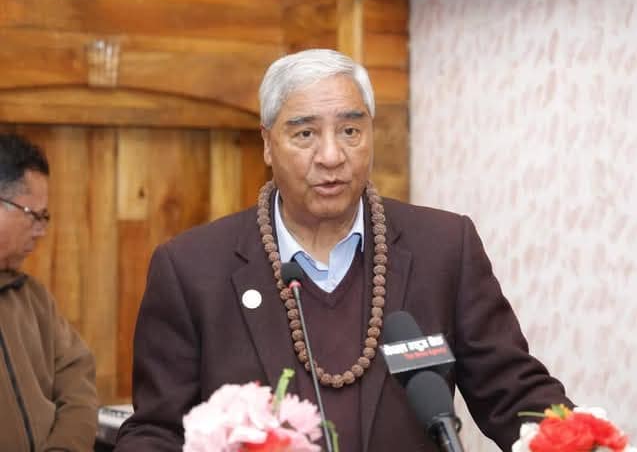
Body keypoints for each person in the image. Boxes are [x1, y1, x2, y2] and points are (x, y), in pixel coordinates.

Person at [115, 49, 572, 452]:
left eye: (350, 130)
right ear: (268, 144)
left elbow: (514, 392)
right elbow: (158, 431)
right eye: (305, 135)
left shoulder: (444, 247)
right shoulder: (192, 269)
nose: (331, 156)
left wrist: (584, 440)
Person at [0, 134, 98, 452]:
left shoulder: (34, 298)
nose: (41, 230)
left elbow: (78, 382)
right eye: (34, 215)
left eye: (45, 218)